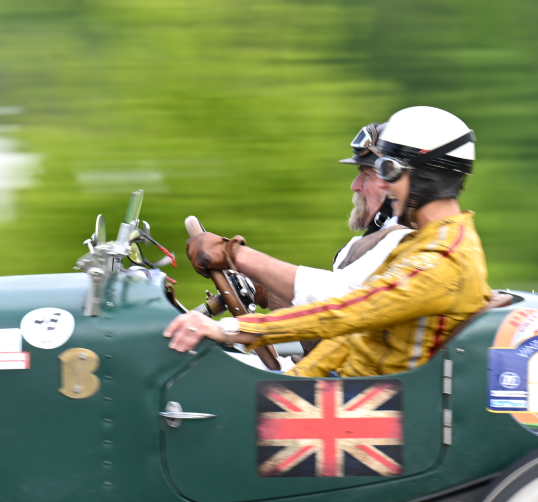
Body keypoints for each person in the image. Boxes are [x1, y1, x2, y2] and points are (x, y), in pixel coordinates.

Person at [163, 106, 489, 378]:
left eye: (387, 171)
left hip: (374, 409)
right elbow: (351, 335)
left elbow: (346, 312)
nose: (383, 186)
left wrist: (228, 329)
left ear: (424, 175)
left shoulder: (442, 258)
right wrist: (290, 381)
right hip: (348, 390)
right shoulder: (429, 243)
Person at [185, 122, 410, 313]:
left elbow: (340, 300)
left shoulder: (404, 239)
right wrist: (263, 292)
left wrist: (235, 254)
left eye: (366, 176)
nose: (355, 186)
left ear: (392, 184)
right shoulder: (381, 239)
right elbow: (326, 322)